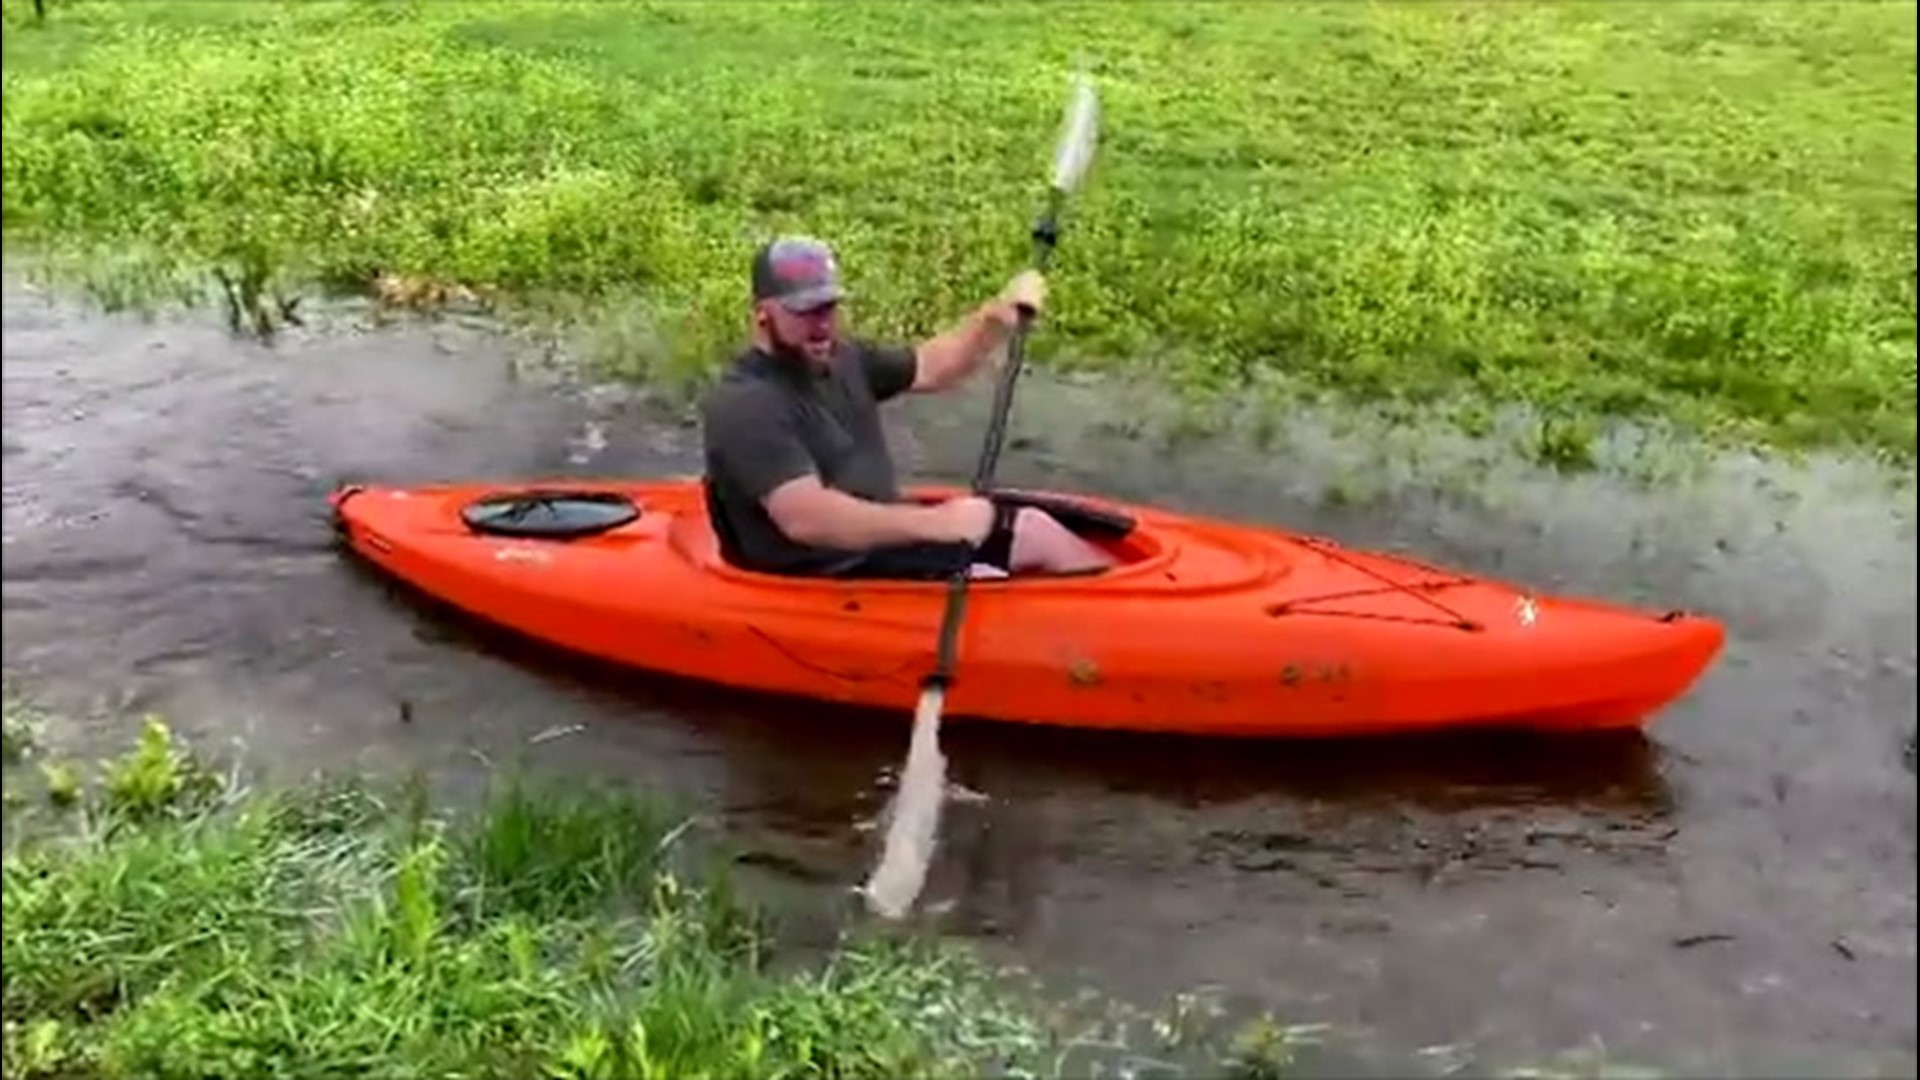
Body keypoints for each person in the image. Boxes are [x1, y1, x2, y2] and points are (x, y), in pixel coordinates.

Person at [699, 235, 1116, 581]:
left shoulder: (842, 357)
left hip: (876, 547)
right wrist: (940, 524)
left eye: (828, 307)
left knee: (1054, 523)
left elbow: (932, 367)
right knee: (1033, 535)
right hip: (828, 572)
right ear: (762, 315)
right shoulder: (746, 403)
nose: (822, 323)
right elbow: (807, 519)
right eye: (804, 311)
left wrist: (993, 317)